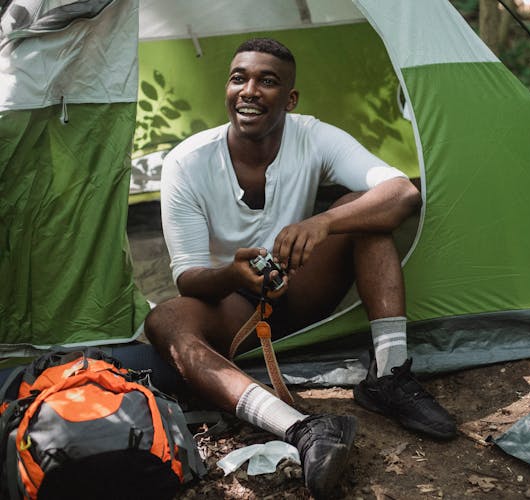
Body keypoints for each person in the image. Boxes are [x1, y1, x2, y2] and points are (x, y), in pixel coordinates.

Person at [144, 38, 455, 498]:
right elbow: (188, 278)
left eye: (267, 81)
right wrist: (232, 274)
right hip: (233, 306)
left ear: (289, 100)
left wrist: (324, 221)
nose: (249, 90)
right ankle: (302, 429)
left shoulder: (312, 135)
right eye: (239, 78)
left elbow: (402, 194)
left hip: (303, 288)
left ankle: (389, 376)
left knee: (363, 212)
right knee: (164, 319)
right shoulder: (186, 164)